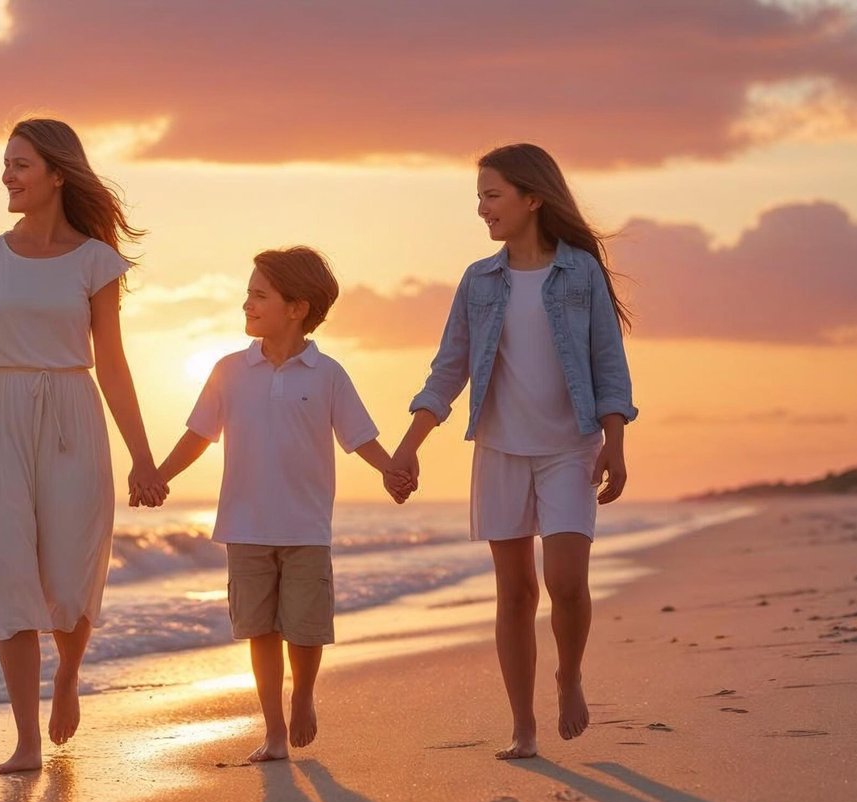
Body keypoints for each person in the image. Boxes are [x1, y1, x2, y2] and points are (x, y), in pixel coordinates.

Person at [0, 119, 167, 774]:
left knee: (70, 578)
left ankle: (69, 671)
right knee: (8, 573)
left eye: (20, 164)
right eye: (5, 163)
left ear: (56, 173)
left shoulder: (96, 262)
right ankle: (26, 739)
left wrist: (143, 455)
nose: (8, 176)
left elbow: (114, 364)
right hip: (1, 414)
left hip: (74, 416)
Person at [389, 143, 637, 760]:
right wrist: (409, 444)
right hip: (500, 449)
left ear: (532, 198)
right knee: (516, 593)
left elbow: (609, 363)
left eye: (491, 195)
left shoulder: (580, 273)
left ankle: (569, 674)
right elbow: (448, 370)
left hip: (569, 448)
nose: (481, 209)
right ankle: (524, 727)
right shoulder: (479, 281)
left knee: (567, 583)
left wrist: (616, 442)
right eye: (478, 197)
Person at [157, 246, 413, 763]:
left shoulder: (327, 373)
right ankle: (273, 731)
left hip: (305, 526)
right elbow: (197, 434)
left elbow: (358, 435)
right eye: (248, 293)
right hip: (246, 524)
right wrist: (157, 476)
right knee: (260, 630)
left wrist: (390, 468)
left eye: (259, 294)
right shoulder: (229, 369)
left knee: (305, 627)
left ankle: (304, 697)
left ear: (296, 308)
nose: (247, 303)